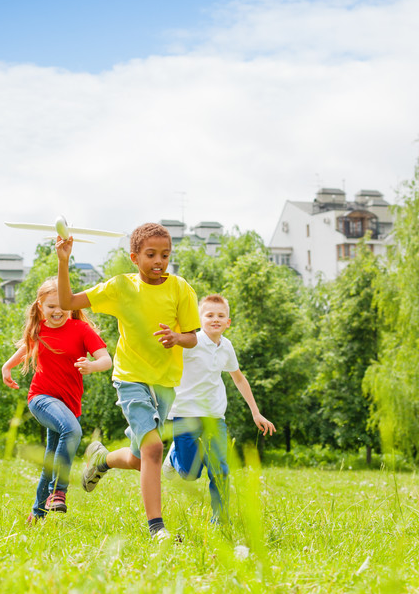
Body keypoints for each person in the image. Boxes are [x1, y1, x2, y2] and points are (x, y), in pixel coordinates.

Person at [57, 222, 200, 541]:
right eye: (151, 254)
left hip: (164, 384)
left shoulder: (180, 288)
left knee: (140, 458)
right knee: (154, 449)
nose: (159, 261)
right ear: (134, 257)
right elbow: (68, 303)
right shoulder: (121, 287)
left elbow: (193, 338)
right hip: (131, 378)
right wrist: (64, 260)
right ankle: (157, 529)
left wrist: (177, 337)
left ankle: (101, 459)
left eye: (165, 254)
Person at [2, 278, 111, 523]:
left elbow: (106, 360)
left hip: (69, 405)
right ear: (41, 306)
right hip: (41, 398)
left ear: (72, 306)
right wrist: (7, 366)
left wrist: (91, 366)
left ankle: (36, 514)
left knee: (51, 459)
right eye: (51, 306)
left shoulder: (81, 330)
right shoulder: (38, 329)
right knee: (72, 431)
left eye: (63, 304)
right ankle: (58, 491)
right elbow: (25, 348)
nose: (57, 310)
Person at [163, 294, 276, 523]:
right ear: (200, 318)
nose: (215, 319)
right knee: (189, 473)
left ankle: (220, 517)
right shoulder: (191, 343)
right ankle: (173, 456)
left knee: (220, 469)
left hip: (214, 416)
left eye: (221, 315)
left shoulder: (226, 347)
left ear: (228, 322)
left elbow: (239, 379)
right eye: (210, 315)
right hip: (185, 414)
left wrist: (256, 411)